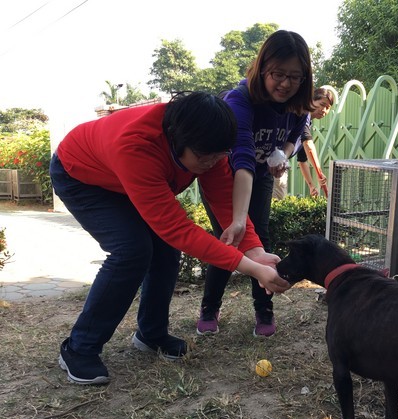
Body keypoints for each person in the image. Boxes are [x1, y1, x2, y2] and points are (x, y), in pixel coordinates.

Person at [50, 91, 290, 385]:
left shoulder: (207, 144)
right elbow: (177, 229)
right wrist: (251, 268)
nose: (211, 163)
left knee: (165, 250)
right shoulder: (136, 146)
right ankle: (79, 348)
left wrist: (255, 250)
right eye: (204, 157)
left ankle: (151, 334)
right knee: (132, 250)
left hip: (120, 178)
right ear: (176, 139)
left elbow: (225, 201)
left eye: (219, 156)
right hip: (81, 176)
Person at [197, 30, 313, 337]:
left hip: (259, 178)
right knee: (230, 240)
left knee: (259, 240)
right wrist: (237, 220)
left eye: (295, 77)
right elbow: (243, 159)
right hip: (223, 178)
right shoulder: (239, 100)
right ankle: (209, 308)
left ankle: (263, 310)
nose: (286, 84)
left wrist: (282, 154)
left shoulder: (299, 104)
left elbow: (295, 137)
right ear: (262, 68)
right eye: (278, 74)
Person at [294, 87, 334, 197]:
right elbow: (308, 144)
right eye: (322, 104)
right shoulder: (303, 113)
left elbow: (302, 160)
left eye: (327, 107)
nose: (324, 110)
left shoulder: (307, 121)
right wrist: (319, 173)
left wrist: (311, 186)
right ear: (311, 100)